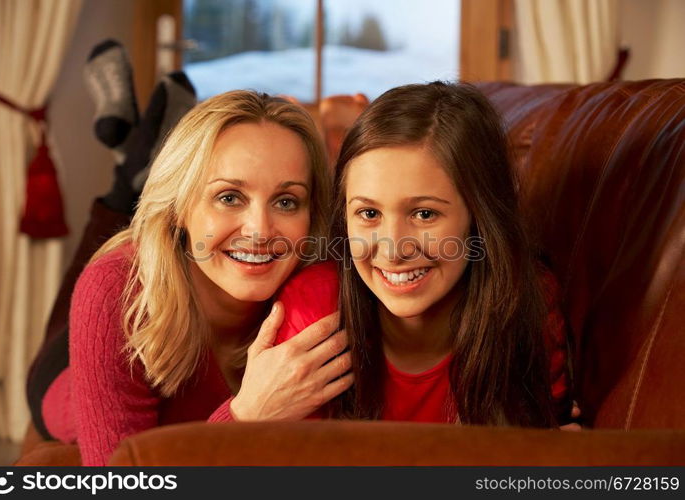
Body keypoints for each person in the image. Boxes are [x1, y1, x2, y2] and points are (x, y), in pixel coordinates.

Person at [34, 89, 354, 466]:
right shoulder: (115, 291)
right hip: (65, 373)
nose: (260, 230)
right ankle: (126, 178)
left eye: (286, 202)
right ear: (180, 205)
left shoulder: (321, 278)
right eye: (230, 197)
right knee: (97, 261)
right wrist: (245, 416)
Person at [275, 81, 580, 428]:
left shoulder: (529, 303)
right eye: (369, 214)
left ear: (480, 217)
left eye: (424, 214)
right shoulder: (312, 311)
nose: (392, 248)